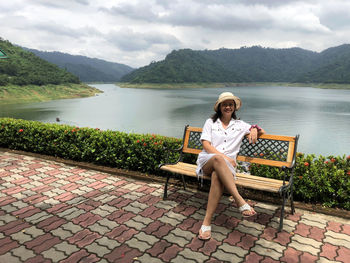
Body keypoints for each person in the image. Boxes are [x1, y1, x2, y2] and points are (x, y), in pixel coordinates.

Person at [196, 91, 265, 240]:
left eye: (231, 104)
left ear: (234, 107)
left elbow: (262, 132)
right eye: (225, 104)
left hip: (225, 170)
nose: (228, 107)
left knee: (217, 176)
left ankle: (206, 223)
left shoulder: (239, 125)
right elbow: (206, 145)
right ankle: (239, 200)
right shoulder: (210, 122)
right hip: (207, 161)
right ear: (219, 107)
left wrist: (253, 128)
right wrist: (226, 158)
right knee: (218, 160)